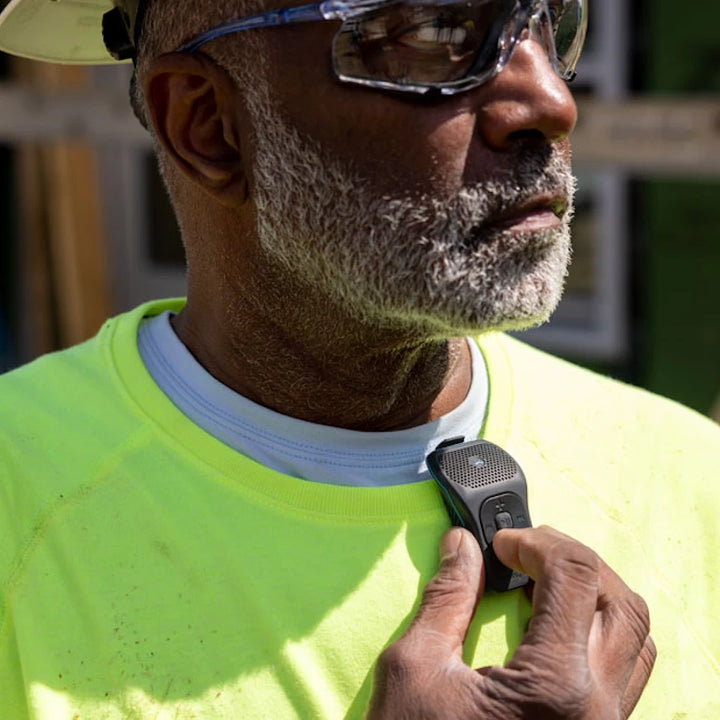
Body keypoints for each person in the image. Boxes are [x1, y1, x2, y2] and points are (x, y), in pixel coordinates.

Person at [0, 0, 718, 718]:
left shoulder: (689, 474)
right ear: (208, 126)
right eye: (436, 32)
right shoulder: (21, 505)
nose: (552, 102)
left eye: (548, 22)